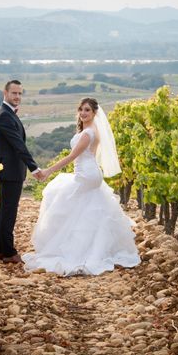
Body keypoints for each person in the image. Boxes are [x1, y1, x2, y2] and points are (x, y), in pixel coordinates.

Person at [23, 98, 140, 276]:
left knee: (64, 198)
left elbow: (72, 157)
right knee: (86, 209)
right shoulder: (91, 130)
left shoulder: (88, 134)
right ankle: (91, 246)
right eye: (81, 110)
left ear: (94, 113)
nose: (83, 113)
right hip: (89, 173)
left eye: (87, 110)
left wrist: (48, 171)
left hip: (87, 174)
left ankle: (79, 250)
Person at [0, 80, 44, 264]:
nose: (17, 97)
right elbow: (18, 144)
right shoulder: (5, 116)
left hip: (9, 170)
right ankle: (8, 252)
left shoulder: (7, 114)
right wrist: (34, 168)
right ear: (5, 93)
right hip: (11, 171)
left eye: (20, 94)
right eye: (14, 93)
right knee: (9, 212)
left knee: (3, 210)